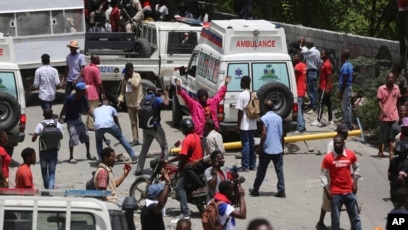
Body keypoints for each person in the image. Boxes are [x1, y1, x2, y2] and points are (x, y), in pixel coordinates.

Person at [165, 118, 205, 222]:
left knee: (179, 187)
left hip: (190, 167)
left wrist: (169, 161)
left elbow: (182, 157)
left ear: (184, 129)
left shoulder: (187, 139)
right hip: (198, 165)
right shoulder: (196, 136)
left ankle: (185, 211)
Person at [321, 135, 361, 230]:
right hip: (335, 193)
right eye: (335, 143)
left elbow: (357, 168)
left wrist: (355, 182)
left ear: (343, 144)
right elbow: (323, 175)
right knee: (336, 218)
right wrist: (327, 190)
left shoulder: (350, 155)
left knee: (355, 217)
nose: (337, 145)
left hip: (349, 191)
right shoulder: (328, 158)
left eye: (339, 143)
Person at [316, 123, 349, 230]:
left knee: (340, 203)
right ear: (339, 133)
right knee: (327, 202)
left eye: (346, 132)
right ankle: (321, 222)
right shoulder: (332, 144)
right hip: (332, 178)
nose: (346, 134)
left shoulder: (344, 143)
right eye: (344, 132)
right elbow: (329, 160)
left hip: (341, 177)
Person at [249, 100, 285, 198]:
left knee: (261, 170)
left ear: (265, 108)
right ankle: (281, 190)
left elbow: (264, 133)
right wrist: (283, 147)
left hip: (267, 149)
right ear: (273, 107)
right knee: (279, 170)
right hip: (278, 148)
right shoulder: (279, 118)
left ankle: (256, 189)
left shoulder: (264, 118)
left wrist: (260, 147)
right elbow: (282, 134)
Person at [135, 86, 169, 175]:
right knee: (164, 147)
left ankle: (139, 169)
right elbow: (166, 104)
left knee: (144, 149)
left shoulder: (143, 100)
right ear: (154, 91)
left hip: (146, 129)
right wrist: (166, 95)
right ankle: (166, 168)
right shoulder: (157, 99)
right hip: (156, 128)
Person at [58, 82, 95, 163]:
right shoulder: (70, 98)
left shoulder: (83, 98)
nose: (85, 91)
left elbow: (88, 109)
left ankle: (88, 154)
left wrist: (94, 117)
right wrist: (60, 118)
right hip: (71, 121)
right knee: (73, 138)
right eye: (83, 90)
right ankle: (71, 157)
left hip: (79, 120)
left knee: (86, 136)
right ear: (78, 90)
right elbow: (64, 109)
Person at [31, 109, 63, 189]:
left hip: (43, 151)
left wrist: (38, 135)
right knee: (52, 172)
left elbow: (33, 139)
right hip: (54, 151)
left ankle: (47, 187)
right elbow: (61, 137)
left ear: (43, 115)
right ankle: (50, 188)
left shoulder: (40, 125)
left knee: (44, 170)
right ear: (52, 114)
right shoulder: (57, 124)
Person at [117, 63, 143, 146]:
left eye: (130, 71)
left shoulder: (137, 76)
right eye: (127, 71)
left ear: (132, 69)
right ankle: (135, 139)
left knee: (142, 122)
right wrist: (120, 100)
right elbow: (122, 91)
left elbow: (136, 85)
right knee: (133, 123)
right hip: (129, 104)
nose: (128, 72)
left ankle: (146, 139)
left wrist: (129, 79)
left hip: (138, 103)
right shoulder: (124, 79)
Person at [235, 76, 257, 172]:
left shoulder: (242, 95)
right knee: (251, 144)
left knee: (246, 145)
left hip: (244, 123)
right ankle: (253, 165)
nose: (240, 84)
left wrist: (238, 125)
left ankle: (245, 166)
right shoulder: (253, 94)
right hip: (252, 122)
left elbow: (240, 111)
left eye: (241, 82)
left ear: (244, 83)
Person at [377, 72, 401, 158]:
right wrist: (383, 111)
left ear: (394, 79)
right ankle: (380, 151)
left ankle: (392, 151)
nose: (390, 79)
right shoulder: (381, 88)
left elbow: (398, 100)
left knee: (394, 134)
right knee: (383, 134)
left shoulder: (396, 88)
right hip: (384, 115)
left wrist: (399, 112)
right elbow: (379, 101)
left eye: (392, 78)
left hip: (394, 115)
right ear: (386, 79)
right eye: (389, 78)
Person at [83, 54, 106, 131]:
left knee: (89, 108)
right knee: (93, 109)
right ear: (94, 60)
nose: (99, 60)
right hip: (93, 91)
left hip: (86, 89)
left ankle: (87, 123)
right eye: (98, 59)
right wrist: (103, 93)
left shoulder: (86, 68)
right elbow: (99, 83)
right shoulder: (96, 69)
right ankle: (90, 125)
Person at [311, 49, 333, 127]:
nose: (321, 56)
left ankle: (318, 120)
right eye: (321, 54)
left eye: (322, 54)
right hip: (322, 86)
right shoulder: (324, 63)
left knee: (320, 103)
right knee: (328, 103)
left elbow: (329, 76)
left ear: (326, 55)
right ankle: (330, 120)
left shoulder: (327, 65)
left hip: (325, 87)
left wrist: (327, 88)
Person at [301, 39, 321, 112]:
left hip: (311, 71)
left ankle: (314, 105)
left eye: (306, 45)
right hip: (315, 70)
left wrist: (301, 44)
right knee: (313, 88)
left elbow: (301, 52)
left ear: (309, 45)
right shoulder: (317, 51)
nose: (306, 46)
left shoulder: (311, 51)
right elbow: (319, 62)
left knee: (312, 89)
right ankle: (313, 103)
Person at [388, 139, 408, 205]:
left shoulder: (393, 160)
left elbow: (389, 175)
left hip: (393, 192)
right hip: (402, 194)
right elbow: (400, 177)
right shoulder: (406, 162)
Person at [338, 49, 353, 131]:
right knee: (346, 106)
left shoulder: (345, 66)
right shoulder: (349, 65)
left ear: (343, 56)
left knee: (346, 107)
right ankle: (346, 121)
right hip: (347, 87)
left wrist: (341, 91)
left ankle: (348, 124)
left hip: (345, 88)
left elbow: (345, 79)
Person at [293, 52, 307, 133]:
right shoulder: (304, 65)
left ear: (300, 58)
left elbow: (292, 70)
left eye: (296, 56)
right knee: (300, 109)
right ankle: (303, 125)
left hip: (298, 90)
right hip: (302, 89)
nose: (294, 57)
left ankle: (300, 127)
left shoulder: (298, 65)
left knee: (298, 109)